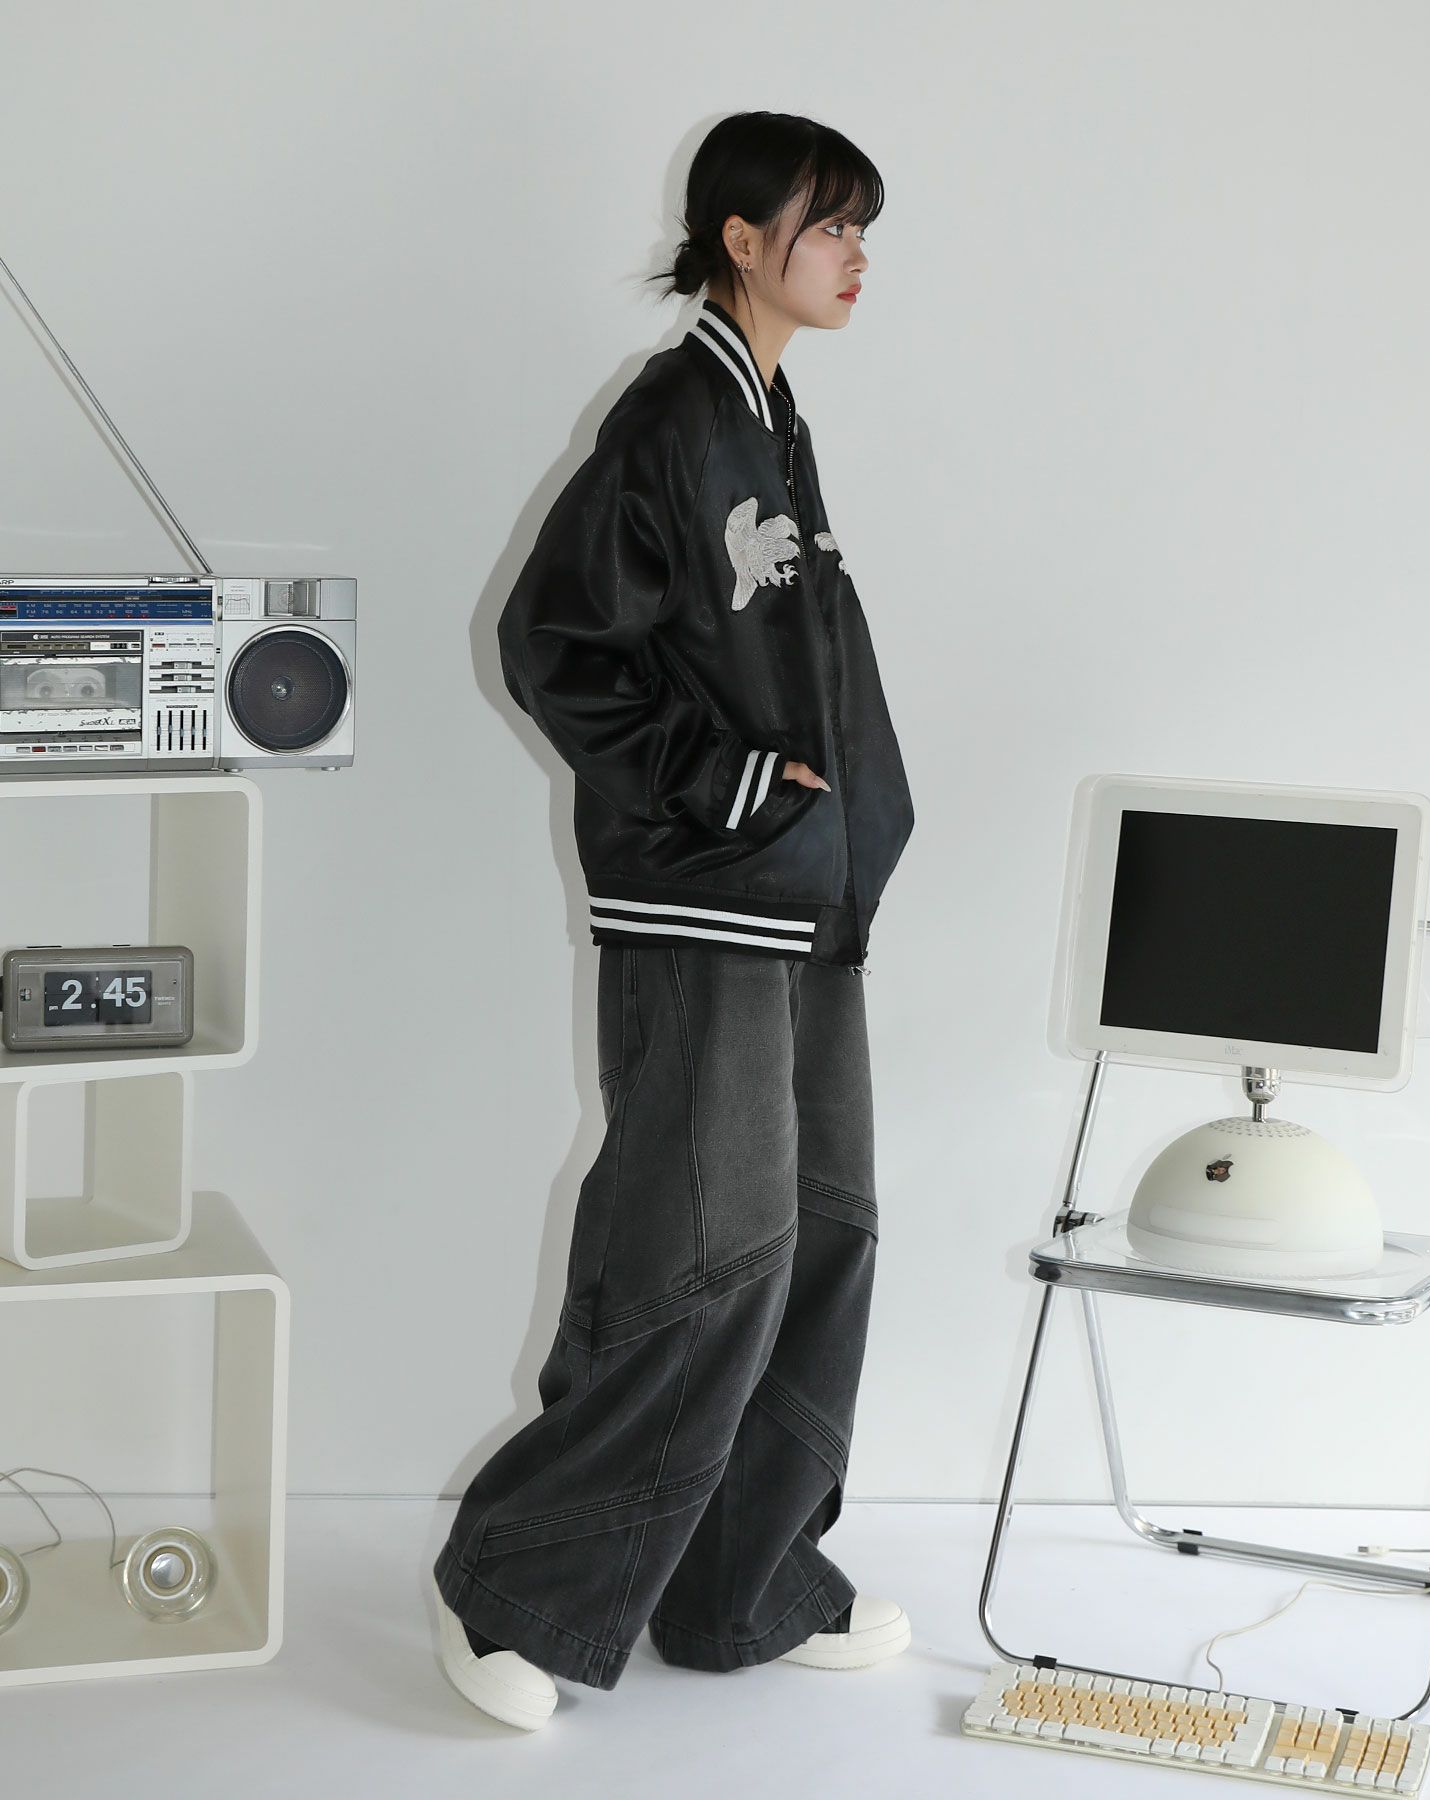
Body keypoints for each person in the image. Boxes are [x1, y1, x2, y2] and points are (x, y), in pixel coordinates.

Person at [432, 110, 916, 1730]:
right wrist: (732, 788)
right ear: (741, 238)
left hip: (803, 897)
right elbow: (553, 644)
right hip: (708, 895)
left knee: (821, 1233)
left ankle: (736, 1584)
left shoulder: (772, 419)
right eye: (830, 225)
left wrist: (844, 822)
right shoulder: (674, 417)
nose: (855, 255)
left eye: (862, 229)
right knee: (706, 1249)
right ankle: (514, 1593)